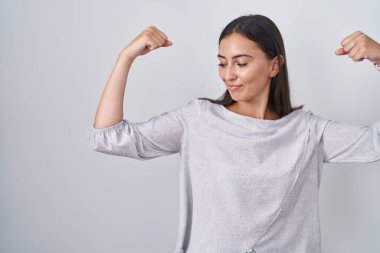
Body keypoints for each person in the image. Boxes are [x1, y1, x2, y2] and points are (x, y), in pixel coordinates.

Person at [87, 14, 380, 253]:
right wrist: (126, 57)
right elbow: (108, 137)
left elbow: (375, 144)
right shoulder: (197, 120)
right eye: (222, 63)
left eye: (241, 63)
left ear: (274, 65)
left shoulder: (308, 131)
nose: (229, 75)